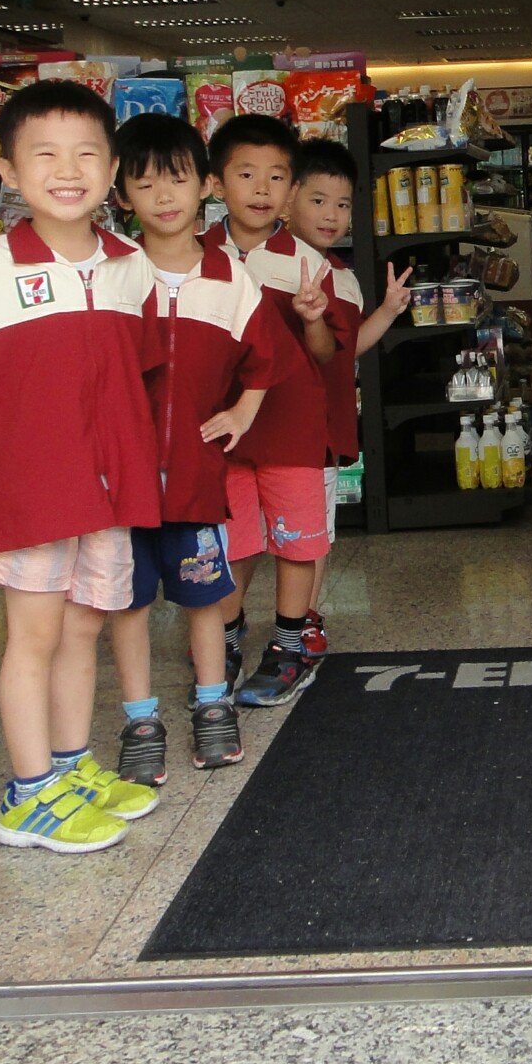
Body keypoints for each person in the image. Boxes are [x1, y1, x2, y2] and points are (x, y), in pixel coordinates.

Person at [0, 78, 163, 855]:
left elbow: (133, 371)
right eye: (44, 154)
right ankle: (29, 794)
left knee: (84, 625)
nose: (67, 169)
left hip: (108, 480)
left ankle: (70, 767)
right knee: (35, 634)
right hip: (37, 484)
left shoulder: (128, 263)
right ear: (9, 171)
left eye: (87, 153)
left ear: (112, 171)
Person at [105, 111, 284, 788]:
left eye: (177, 179)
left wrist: (243, 408)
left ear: (204, 184)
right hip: (121, 481)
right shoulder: (113, 276)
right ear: (121, 195)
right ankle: (141, 720)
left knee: (207, 595)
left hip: (195, 474)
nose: (164, 196)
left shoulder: (228, 276)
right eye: (145, 184)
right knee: (128, 600)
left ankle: (213, 704)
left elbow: (265, 354)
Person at [201, 114, 340, 706]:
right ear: (215, 184)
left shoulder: (308, 262)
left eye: (276, 177)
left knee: (297, 539)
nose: (261, 189)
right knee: (230, 540)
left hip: (292, 426)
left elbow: (327, 354)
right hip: (221, 428)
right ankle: (226, 639)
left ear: (290, 191)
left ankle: (290, 644)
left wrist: (312, 320)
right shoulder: (193, 253)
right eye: (246, 174)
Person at [285, 139, 414, 629]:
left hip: (325, 430)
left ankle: (303, 621)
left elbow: (347, 350)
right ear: (290, 195)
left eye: (342, 205)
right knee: (253, 539)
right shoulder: (259, 263)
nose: (331, 215)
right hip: (274, 430)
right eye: (318, 201)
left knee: (316, 535)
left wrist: (388, 310)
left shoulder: (344, 277)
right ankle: (226, 633)